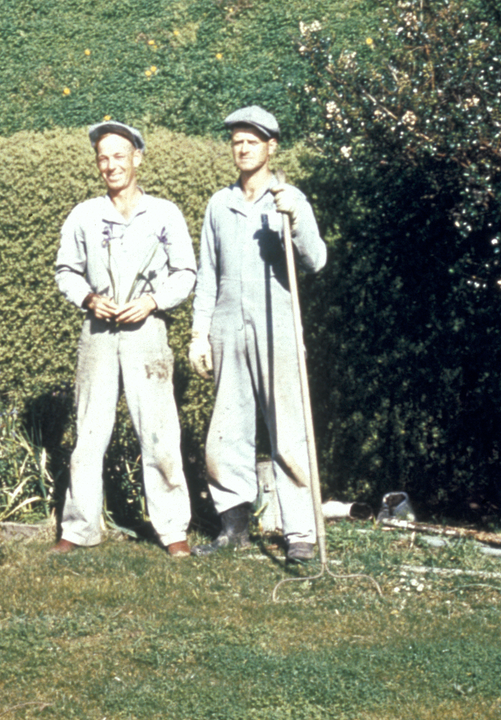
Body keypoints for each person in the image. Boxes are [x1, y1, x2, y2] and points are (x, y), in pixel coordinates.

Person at [188, 106, 327, 562]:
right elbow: (207, 275)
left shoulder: (290, 198)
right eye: (236, 141)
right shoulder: (218, 204)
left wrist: (297, 221)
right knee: (227, 430)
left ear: (271, 147)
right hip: (229, 328)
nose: (243, 148)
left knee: (288, 430)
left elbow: (316, 261)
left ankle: (300, 533)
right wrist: (199, 333)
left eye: (252, 140)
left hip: (277, 328)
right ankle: (234, 526)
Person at [53, 121, 197, 557]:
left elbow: (186, 272)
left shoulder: (164, 213)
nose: (111, 165)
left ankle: (173, 530)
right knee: (89, 432)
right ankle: (78, 528)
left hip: (146, 332)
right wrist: (88, 299)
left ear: (138, 157)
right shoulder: (83, 215)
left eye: (119, 155)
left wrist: (153, 302)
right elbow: (66, 271)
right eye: (103, 157)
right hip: (98, 333)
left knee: (158, 431)